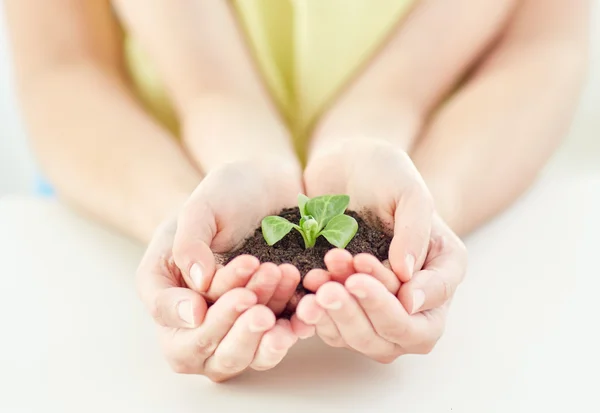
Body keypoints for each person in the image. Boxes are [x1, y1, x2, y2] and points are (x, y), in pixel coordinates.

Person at [5, 0, 589, 382]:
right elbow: (65, 66)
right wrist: (187, 218)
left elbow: (542, 48)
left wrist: (423, 208)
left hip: (465, 166)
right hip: (139, 166)